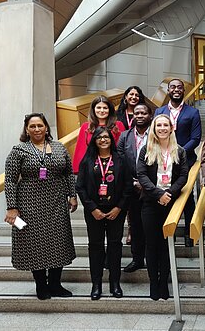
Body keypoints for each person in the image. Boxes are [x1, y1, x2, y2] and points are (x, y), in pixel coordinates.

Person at [4, 113, 77, 300]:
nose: (37, 129)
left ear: (46, 127)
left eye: (40, 125)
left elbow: (69, 173)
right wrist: (12, 207)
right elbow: (10, 180)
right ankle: (41, 285)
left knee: (58, 241)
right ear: (27, 130)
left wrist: (72, 195)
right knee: (33, 243)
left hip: (56, 201)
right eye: (32, 126)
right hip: (29, 202)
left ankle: (55, 284)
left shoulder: (59, 148)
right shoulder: (19, 150)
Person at [76, 127, 132, 300]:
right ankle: (96, 285)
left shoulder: (121, 160)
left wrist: (119, 208)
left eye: (106, 137)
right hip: (94, 211)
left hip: (116, 210)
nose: (103, 140)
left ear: (111, 139)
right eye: (99, 137)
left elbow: (128, 187)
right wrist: (92, 208)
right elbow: (80, 187)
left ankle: (115, 283)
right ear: (94, 140)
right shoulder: (87, 160)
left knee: (115, 246)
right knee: (96, 246)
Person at [137, 114, 188, 300]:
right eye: (159, 125)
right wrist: (159, 194)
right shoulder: (146, 150)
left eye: (165, 125)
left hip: (171, 203)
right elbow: (141, 175)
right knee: (151, 245)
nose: (162, 128)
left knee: (167, 244)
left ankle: (164, 282)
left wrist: (170, 194)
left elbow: (183, 176)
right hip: (150, 202)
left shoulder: (179, 151)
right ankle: (153, 282)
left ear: (171, 127)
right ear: (154, 128)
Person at [154, 78, 201, 247]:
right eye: (172, 87)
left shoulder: (192, 112)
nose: (176, 89)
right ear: (168, 90)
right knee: (165, 194)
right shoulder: (159, 111)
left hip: (185, 161)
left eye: (179, 87)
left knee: (187, 198)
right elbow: (154, 135)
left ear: (183, 90)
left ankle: (190, 233)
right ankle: (167, 233)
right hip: (162, 162)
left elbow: (196, 138)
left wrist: (178, 153)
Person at [117, 104, 153, 273]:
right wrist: (131, 181)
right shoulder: (125, 136)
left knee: (151, 225)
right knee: (136, 225)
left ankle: (154, 259)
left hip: (153, 188)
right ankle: (137, 259)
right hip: (131, 187)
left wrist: (145, 183)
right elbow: (120, 159)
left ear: (150, 115)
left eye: (143, 112)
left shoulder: (157, 134)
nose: (139, 115)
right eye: (137, 113)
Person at [72, 96, 125, 174]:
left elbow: (122, 149)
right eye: (99, 107)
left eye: (105, 108)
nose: (102, 110)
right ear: (93, 109)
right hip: (91, 169)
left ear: (110, 109)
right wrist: (78, 170)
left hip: (114, 167)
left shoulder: (118, 125)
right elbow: (81, 149)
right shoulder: (86, 127)